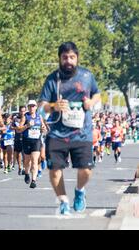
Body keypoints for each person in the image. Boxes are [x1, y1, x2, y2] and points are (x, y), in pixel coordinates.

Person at [39, 42, 101, 215]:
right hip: (58, 133)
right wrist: (53, 106)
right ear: (59, 58)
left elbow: (97, 94)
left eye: (72, 57)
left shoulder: (87, 76)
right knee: (55, 170)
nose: (68, 61)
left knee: (86, 170)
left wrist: (91, 102)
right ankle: (63, 200)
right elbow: (41, 107)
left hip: (82, 133)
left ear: (77, 58)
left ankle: (80, 191)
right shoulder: (52, 80)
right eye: (65, 57)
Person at [20, 100, 46, 188]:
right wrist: (27, 125)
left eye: (33, 106)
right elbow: (19, 129)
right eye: (30, 106)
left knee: (35, 160)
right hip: (27, 140)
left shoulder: (39, 117)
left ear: (36, 107)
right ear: (28, 107)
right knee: (27, 161)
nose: (32, 108)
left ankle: (33, 180)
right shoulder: (25, 116)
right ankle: (27, 173)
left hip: (36, 141)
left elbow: (43, 128)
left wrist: (43, 129)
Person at [12, 106, 26, 175]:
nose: (22, 112)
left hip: (25, 138)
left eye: (24, 111)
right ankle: (20, 167)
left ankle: (24, 167)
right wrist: (16, 128)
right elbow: (11, 127)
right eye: (21, 111)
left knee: (25, 154)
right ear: (19, 111)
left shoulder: (27, 118)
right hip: (17, 138)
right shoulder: (15, 118)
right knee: (18, 154)